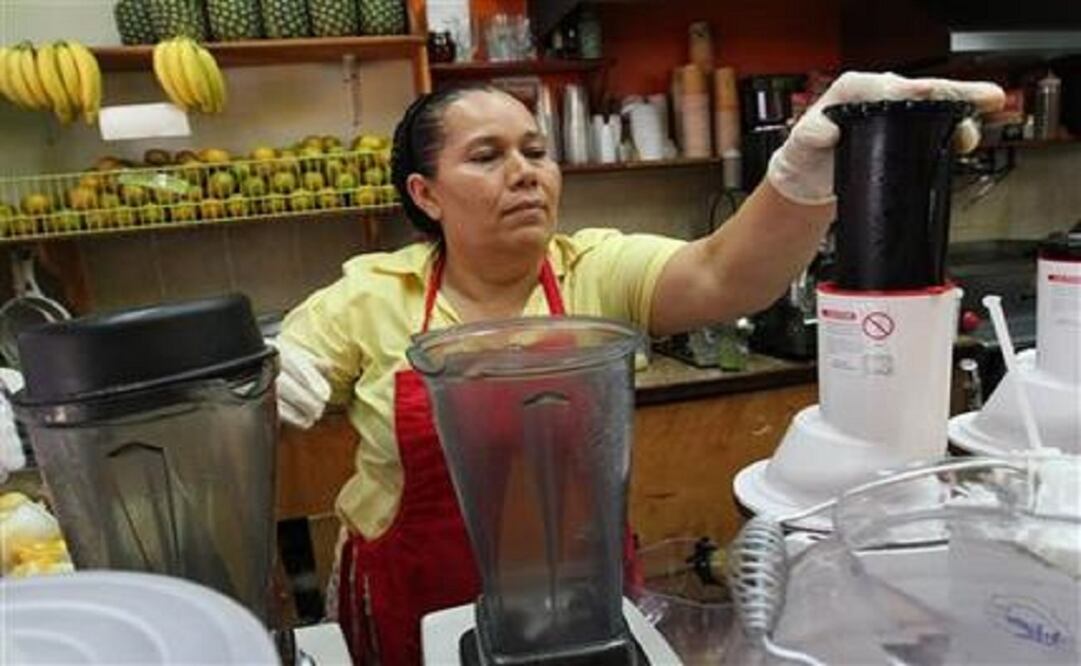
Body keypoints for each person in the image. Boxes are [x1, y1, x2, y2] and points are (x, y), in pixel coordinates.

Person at [276, 71, 1004, 664]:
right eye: (486, 156)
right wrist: (271, 374)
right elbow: (292, 355)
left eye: (535, 150)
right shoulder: (371, 294)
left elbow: (723, 273)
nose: (525, 173)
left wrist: (802, 174)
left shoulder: (595, 271)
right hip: (416, 590)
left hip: (578, 587)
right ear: (425, 195)